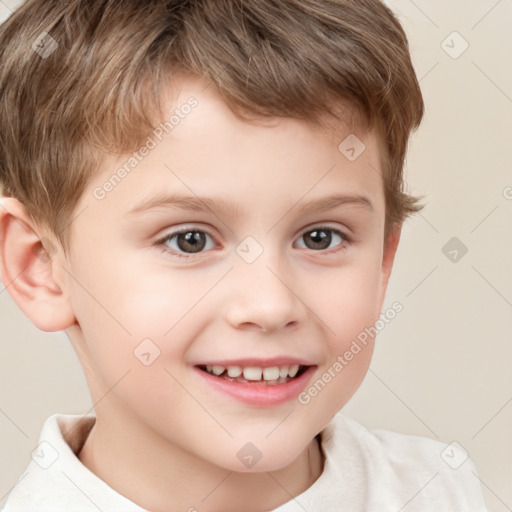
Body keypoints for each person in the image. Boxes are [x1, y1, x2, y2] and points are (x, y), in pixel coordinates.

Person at [0, 0, 487, 510]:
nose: (270, 306)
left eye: (320, 237)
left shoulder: (444, 490)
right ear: (42, 268)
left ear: (384, 261)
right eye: (189, 239)